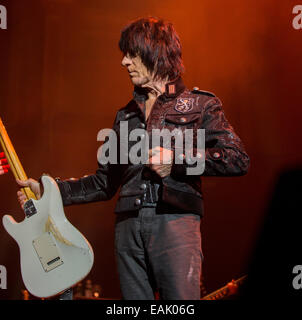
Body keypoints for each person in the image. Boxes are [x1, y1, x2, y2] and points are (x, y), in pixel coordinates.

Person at [14, 17, 249, 300]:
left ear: (156, 52)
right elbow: (104, 182)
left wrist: (175, 161)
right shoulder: (125, 115)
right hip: (127, 229)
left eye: (131, 54)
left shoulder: (201, 104)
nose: (124, 62)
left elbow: (236, 159)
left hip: (174, 223)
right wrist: (49, 189)